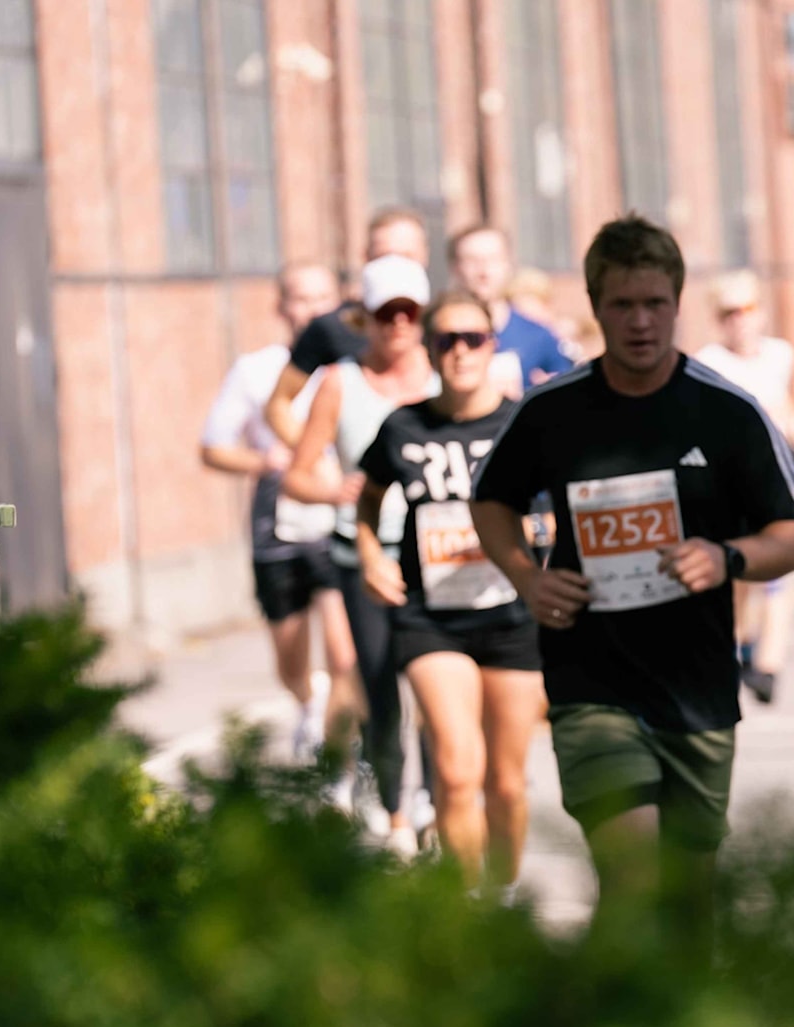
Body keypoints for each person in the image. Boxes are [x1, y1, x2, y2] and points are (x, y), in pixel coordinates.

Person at [470, 215, 794, 918]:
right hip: (590, 684)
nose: (640, 322)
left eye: (654, 303)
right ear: (596, 308)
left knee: (687, 907)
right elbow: (491, 502)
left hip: (697, 690)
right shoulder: (552, 411)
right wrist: (528, 577)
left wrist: (726, 558)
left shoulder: (726, 411)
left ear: (678, 303)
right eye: (622, 305)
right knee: (631, 886)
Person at [355, 290, 546, 891]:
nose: (460, 352)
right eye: (446, 340)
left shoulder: (526, 422)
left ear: (493, 346)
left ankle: (504, 892)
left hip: (516, 614)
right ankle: (469, 915)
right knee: (459, 772)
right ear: (429, 350)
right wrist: (370, 556)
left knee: (507, 786)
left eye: (474, 339)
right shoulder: (404, 426)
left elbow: (563, 497)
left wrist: (547, 540)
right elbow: (367, 497)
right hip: (431, 616)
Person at [284, 254, 442, 859]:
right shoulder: (339, 382)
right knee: (379, 686)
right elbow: (299, 475)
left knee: (435, 683)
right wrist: (335, 488)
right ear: (365, 319)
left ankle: (432, 799)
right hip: (362, 557)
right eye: (386, 314)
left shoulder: (442, 374)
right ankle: (395, 809)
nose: (399, 325)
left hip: (435, 559)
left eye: (410, 313)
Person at [199, 261, 359, 760]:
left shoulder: (356, 366)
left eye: (321, 297)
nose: (311, 308)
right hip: (280, 518)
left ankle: (337, 755)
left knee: (344, 651)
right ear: (281, 307)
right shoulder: (255, 370)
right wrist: (265, 458)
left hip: (339, 515)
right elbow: (213, 448)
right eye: (300, 298)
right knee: (290, 655)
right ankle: (308, 704)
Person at [694, 270, 794, 704]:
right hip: (728, 482)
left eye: (747, 310)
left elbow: (789, 405)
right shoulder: (709, 362)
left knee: (776, 573)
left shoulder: (780, 354)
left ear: (760, 312)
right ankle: (738, 650)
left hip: (774, 476)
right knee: (740, 573)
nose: (739, 320)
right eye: (729, 313)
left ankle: (768, 666)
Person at [265, 208, 431, 446]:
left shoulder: (449, 323)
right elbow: (278, 405)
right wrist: (316, 460)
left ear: (424, 255)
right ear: (366, 257)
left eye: (406, 256)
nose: (398, 323)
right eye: (384, 256)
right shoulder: (332, 328)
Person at [447, 226, 577, 394]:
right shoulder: (440, 336)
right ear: (454, 267)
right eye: (472, 261)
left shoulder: (538, 336)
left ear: (508, 264)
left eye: (493, 259)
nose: (483, 271)